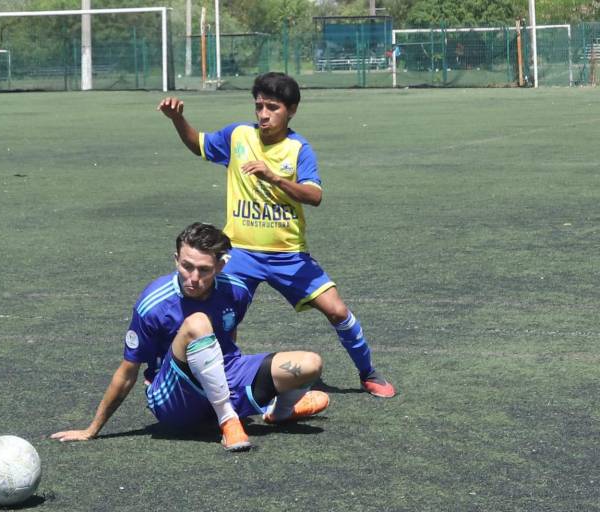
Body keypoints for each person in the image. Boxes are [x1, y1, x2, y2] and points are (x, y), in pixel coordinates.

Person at [157, 72, 396, 398]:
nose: (264, 114)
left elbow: (314, 196)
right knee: (214, 311)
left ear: (292, 110)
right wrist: (178, 119)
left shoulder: (299, 149)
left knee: (337, 311)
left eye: (273, 107)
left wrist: (274, 178)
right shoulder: (238, 135)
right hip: (239, 251)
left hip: (288, 255)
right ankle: (191, 373)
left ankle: (368, 372)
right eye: (259, 106)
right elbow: (198, 143)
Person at [51, 222, 329, 451]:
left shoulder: (237, 290)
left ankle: (279, 413)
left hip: (224, 373)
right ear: (176, 260)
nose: (193, 277)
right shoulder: (153, 303)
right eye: (186, 266)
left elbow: (229, 335)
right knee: (197, 323)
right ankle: (228, 421)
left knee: (310, 363)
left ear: (220, 266)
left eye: (204, 270)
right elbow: (127, 372)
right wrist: (92, 429)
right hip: (173, 397)